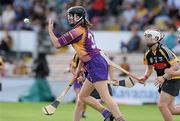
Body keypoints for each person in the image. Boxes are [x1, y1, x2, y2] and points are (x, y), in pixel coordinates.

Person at [48, 6, 125, 121]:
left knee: (105, 97)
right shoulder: (86, 30)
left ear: (79, 17)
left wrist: (50, 30)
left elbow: (57, 44)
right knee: (83, 96)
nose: (69, 19)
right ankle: (107, 114)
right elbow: (82, 54)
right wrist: (79, 69)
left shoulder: (76, 32)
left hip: (95, 64)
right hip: (94, 63)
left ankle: (120, 119)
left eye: (72, 17)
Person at [139, 28, 180, 121]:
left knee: (162, 105)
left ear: (156, 38)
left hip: (173, 79)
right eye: (145, 36)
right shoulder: (148, 54)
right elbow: (149, 68)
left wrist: (164, 77)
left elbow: (176, 65)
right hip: (164, 80)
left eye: (149, 36)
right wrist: (145, 77)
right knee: (171, 110)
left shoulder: (164, 50)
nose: (146, 38)